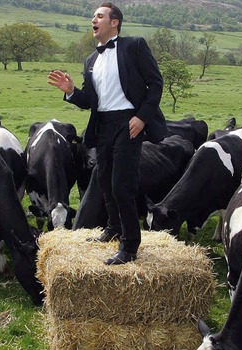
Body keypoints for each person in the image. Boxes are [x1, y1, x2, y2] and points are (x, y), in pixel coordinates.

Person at [47, 2, 167, 265]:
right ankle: (113, 227)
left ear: (114, 23)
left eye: (99, 15)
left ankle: (130, 245)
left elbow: (156, 84)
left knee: (121, 186)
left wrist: (142, 117)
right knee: (104, 180)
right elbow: (90, 100)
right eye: (93, 16)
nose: (94, 19)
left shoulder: (134, 45)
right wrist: (70, 91)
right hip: (102, 126)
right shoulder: (91, 60)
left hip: (129, 122)